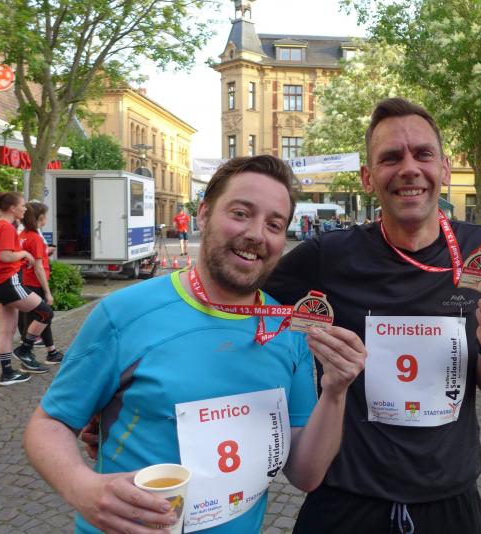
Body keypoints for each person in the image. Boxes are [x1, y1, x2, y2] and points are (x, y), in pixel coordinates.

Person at [24, 155, 366, 534]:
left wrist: (335, 391)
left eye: (274, 224)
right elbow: (49, 423)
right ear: (203, 215)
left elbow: (306, 474)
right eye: (240, 213)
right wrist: (81, 486)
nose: (256, 234)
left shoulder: (286, 328)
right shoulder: (124, 313)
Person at [264, 98, 481, 533]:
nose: (409, 169)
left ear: (444, 168)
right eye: (391, 158)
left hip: (448, 502)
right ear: (368, 178)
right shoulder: (329, 255)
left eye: (423, 154)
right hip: (346, 501)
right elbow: (242, 300)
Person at [0, 192, 54, 384]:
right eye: (22, 205)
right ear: (12, 208)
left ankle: (7, 373)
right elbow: (5, 256)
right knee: (45, 313)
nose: (25, 209)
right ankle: (25, 350)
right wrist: (24, 253)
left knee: (7, 329)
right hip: (9, 281)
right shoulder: (6, 227)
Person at [17, 202, 64, 365]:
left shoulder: (22, 235)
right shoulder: (35, 238)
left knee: (40, 318)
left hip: (25, 281)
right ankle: (26, 355)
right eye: (44, 216)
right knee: (40, 317)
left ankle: (52, 352)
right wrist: (47, 291)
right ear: (39, 218)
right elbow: (38, 268)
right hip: (35, 284)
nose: (46, 219)